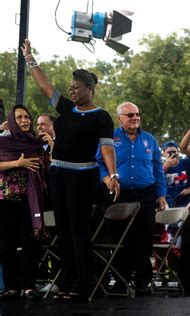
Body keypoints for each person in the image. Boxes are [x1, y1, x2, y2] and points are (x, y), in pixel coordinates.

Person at [22, 39, 120, 302]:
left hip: (82, 177)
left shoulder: (102, 117)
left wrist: (112, 175)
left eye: (76, 88)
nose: (71, 91)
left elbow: (108, 149)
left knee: (79, 231)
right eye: (70, 88)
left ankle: (82, 283)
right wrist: (30, 59)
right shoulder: (65, 107)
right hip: (58, 175)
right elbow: (45, 85)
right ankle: (65, 282)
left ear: (90, 89)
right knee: (63, 230)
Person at [97, 102, 167, 296]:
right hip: (120, 194)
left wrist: (161, 195)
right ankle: (120, 282)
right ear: (119, 118)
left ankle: (143, 283)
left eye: (137, 114)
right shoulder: (110, 139)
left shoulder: (149, 139)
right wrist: (107, 179)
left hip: (146, 194)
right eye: (129, 115)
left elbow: (158, 169)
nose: (135, 117)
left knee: (143, 240)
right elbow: (100, 163)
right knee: (120, 239)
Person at [0, 105, 50, 300]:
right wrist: (17, 164)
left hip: (30, 200)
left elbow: (48, 168)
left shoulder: (36, 144)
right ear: (12, 120)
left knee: (31, 243)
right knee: (6, 244)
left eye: (27, 117)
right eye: (19, 117)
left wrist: (51, 146)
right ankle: (11, 287)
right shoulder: (3, 142)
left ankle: (29, 287)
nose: (25, 121)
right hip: (5, 199)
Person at [163, 141, 190, 207]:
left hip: (187, 199)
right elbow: (157, 181)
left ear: (178, 152)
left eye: (174, 151)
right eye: (169, 152)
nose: (172, 154)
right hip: (170, 201)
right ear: (164, 154)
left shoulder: (187, 163)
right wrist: (166, 167)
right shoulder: (160, 167)